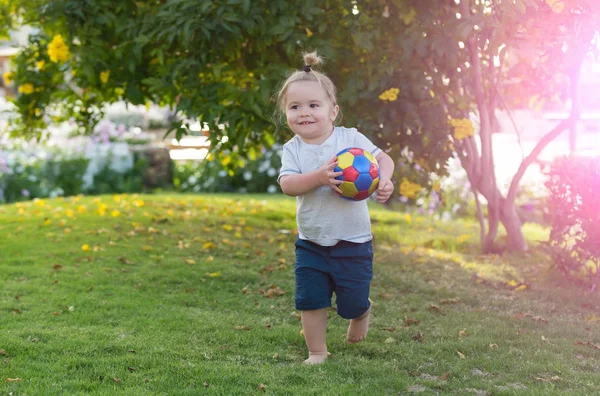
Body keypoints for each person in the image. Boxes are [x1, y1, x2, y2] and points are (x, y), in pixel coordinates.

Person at [276, 51, 395, 364]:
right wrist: (318, 177)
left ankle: (361, 311)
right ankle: (317, 351)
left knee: (351, 301)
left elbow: (384, 159)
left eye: (314, 105)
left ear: (333, 111)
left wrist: (384, 180)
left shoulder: (349, 139)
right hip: (311, 242)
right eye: (295, 106)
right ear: (286, 113)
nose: (304, 112)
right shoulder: (293, 149)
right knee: (310, 299)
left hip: (353, 241)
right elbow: (288, 185)